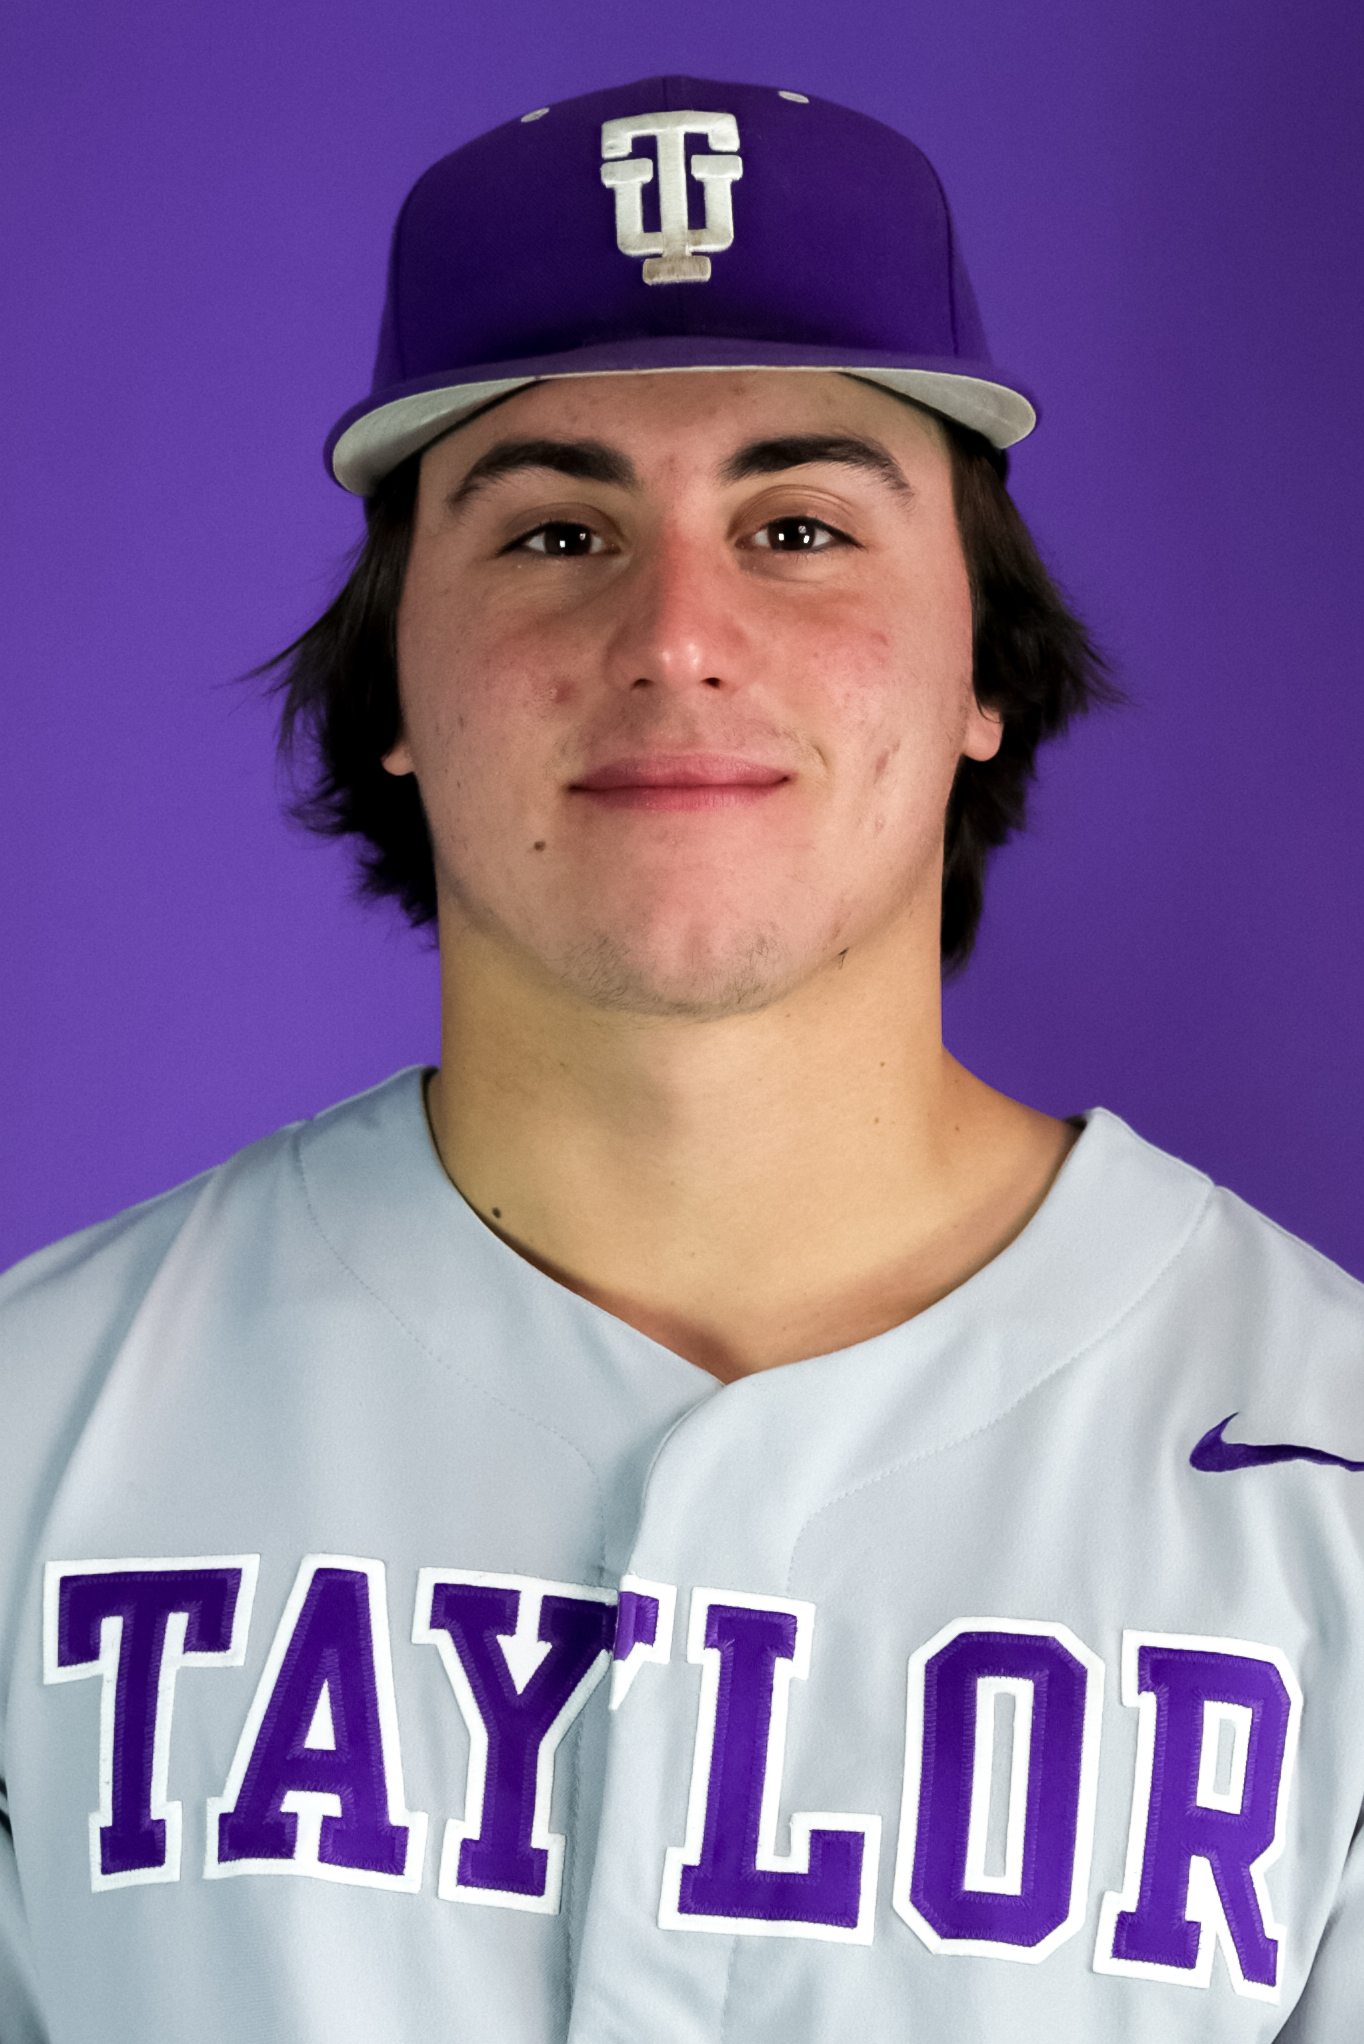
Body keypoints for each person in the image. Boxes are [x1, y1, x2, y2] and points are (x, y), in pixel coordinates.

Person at [1, 74, 1361, 2044]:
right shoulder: (38, 1432)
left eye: (799, 525)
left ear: (982, 668)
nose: (676, 635)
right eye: (556, 530)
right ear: (394, 678)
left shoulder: (1330, 1474)